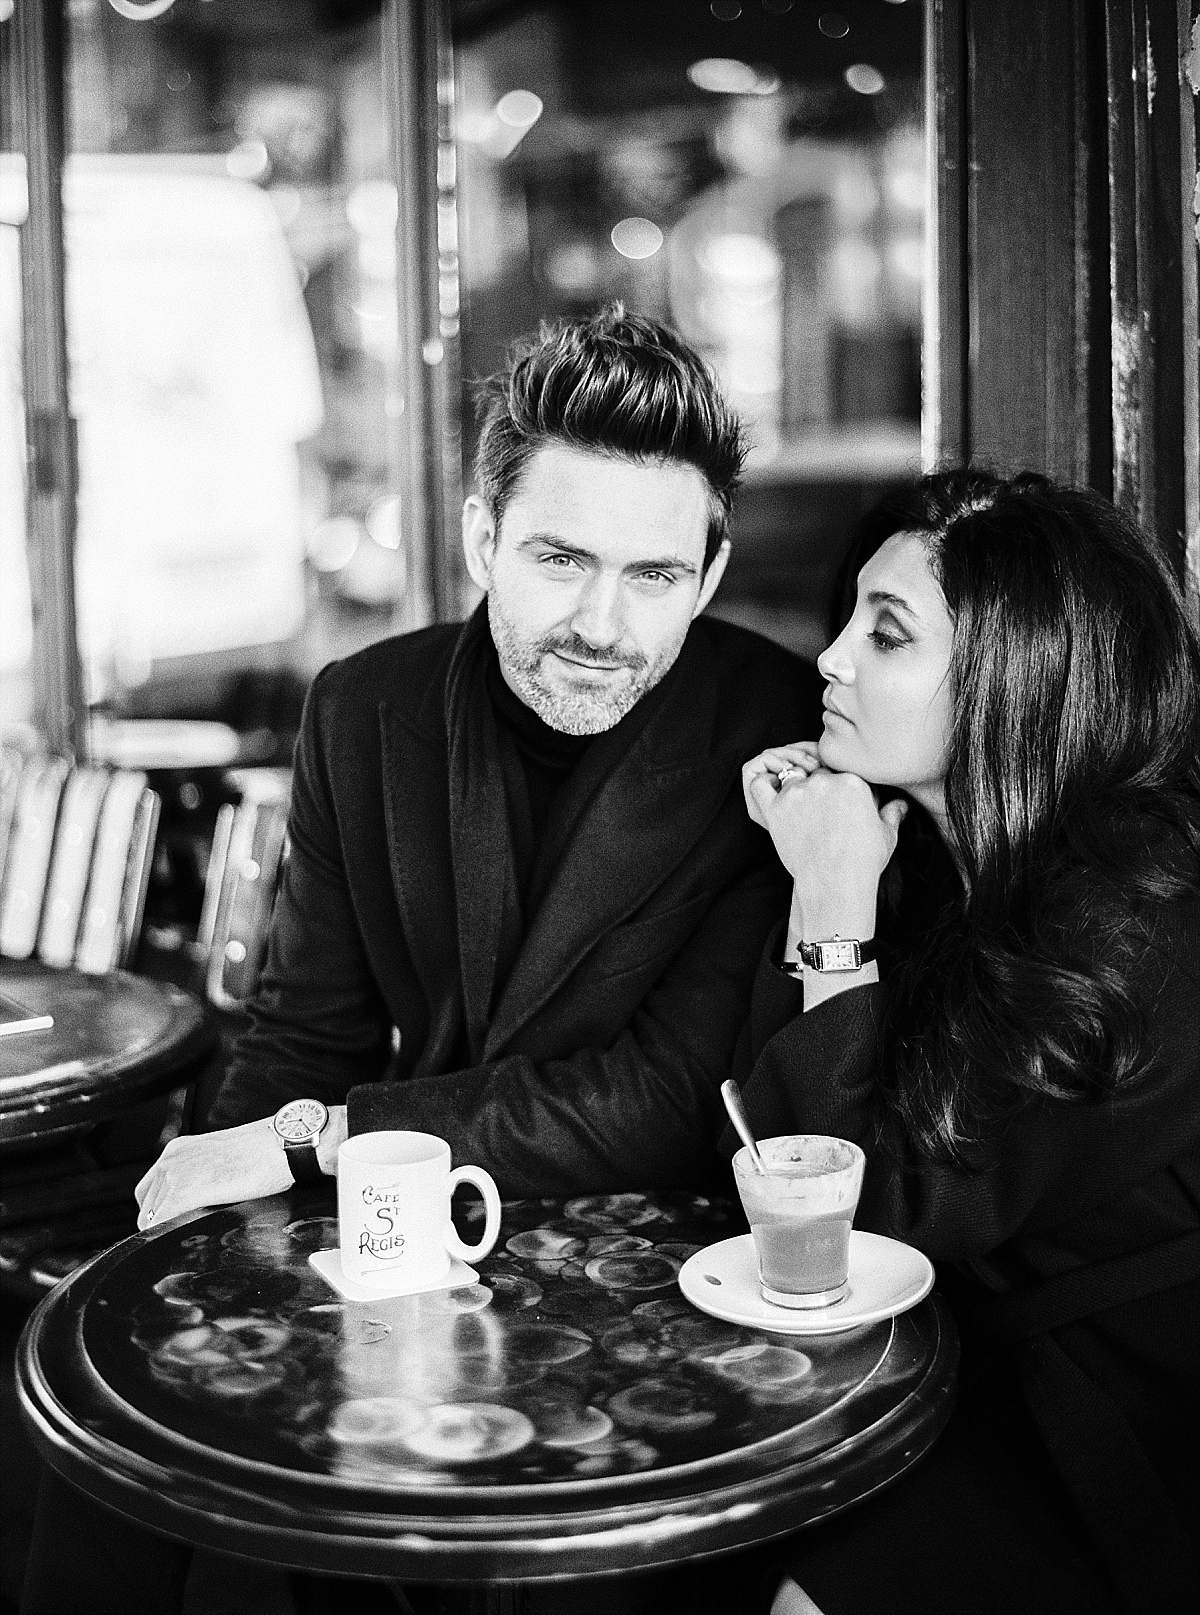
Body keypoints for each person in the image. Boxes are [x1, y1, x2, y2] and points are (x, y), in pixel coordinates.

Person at [131, 303, 822, 1231]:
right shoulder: (362, 711)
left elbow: (677, 1096)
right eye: (563, 559)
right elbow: (303, 1032)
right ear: (483, 541)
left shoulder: (774, 731)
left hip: (669, 1257)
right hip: (402, 1242)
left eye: (652, 575)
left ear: (707, 576)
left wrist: (326, 1137)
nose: (600, 625)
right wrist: (201, 1247)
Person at [732, 469, 1200, 1615]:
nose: (831, 659)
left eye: (883, 634)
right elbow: (755, 1115)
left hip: (1126, 1446)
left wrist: (832, 902)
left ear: (1015, 682)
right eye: (848, 615)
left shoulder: (1134, 924)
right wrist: (830, 872)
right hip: (953, 1387)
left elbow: (855, 1232)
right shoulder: (953, 861)